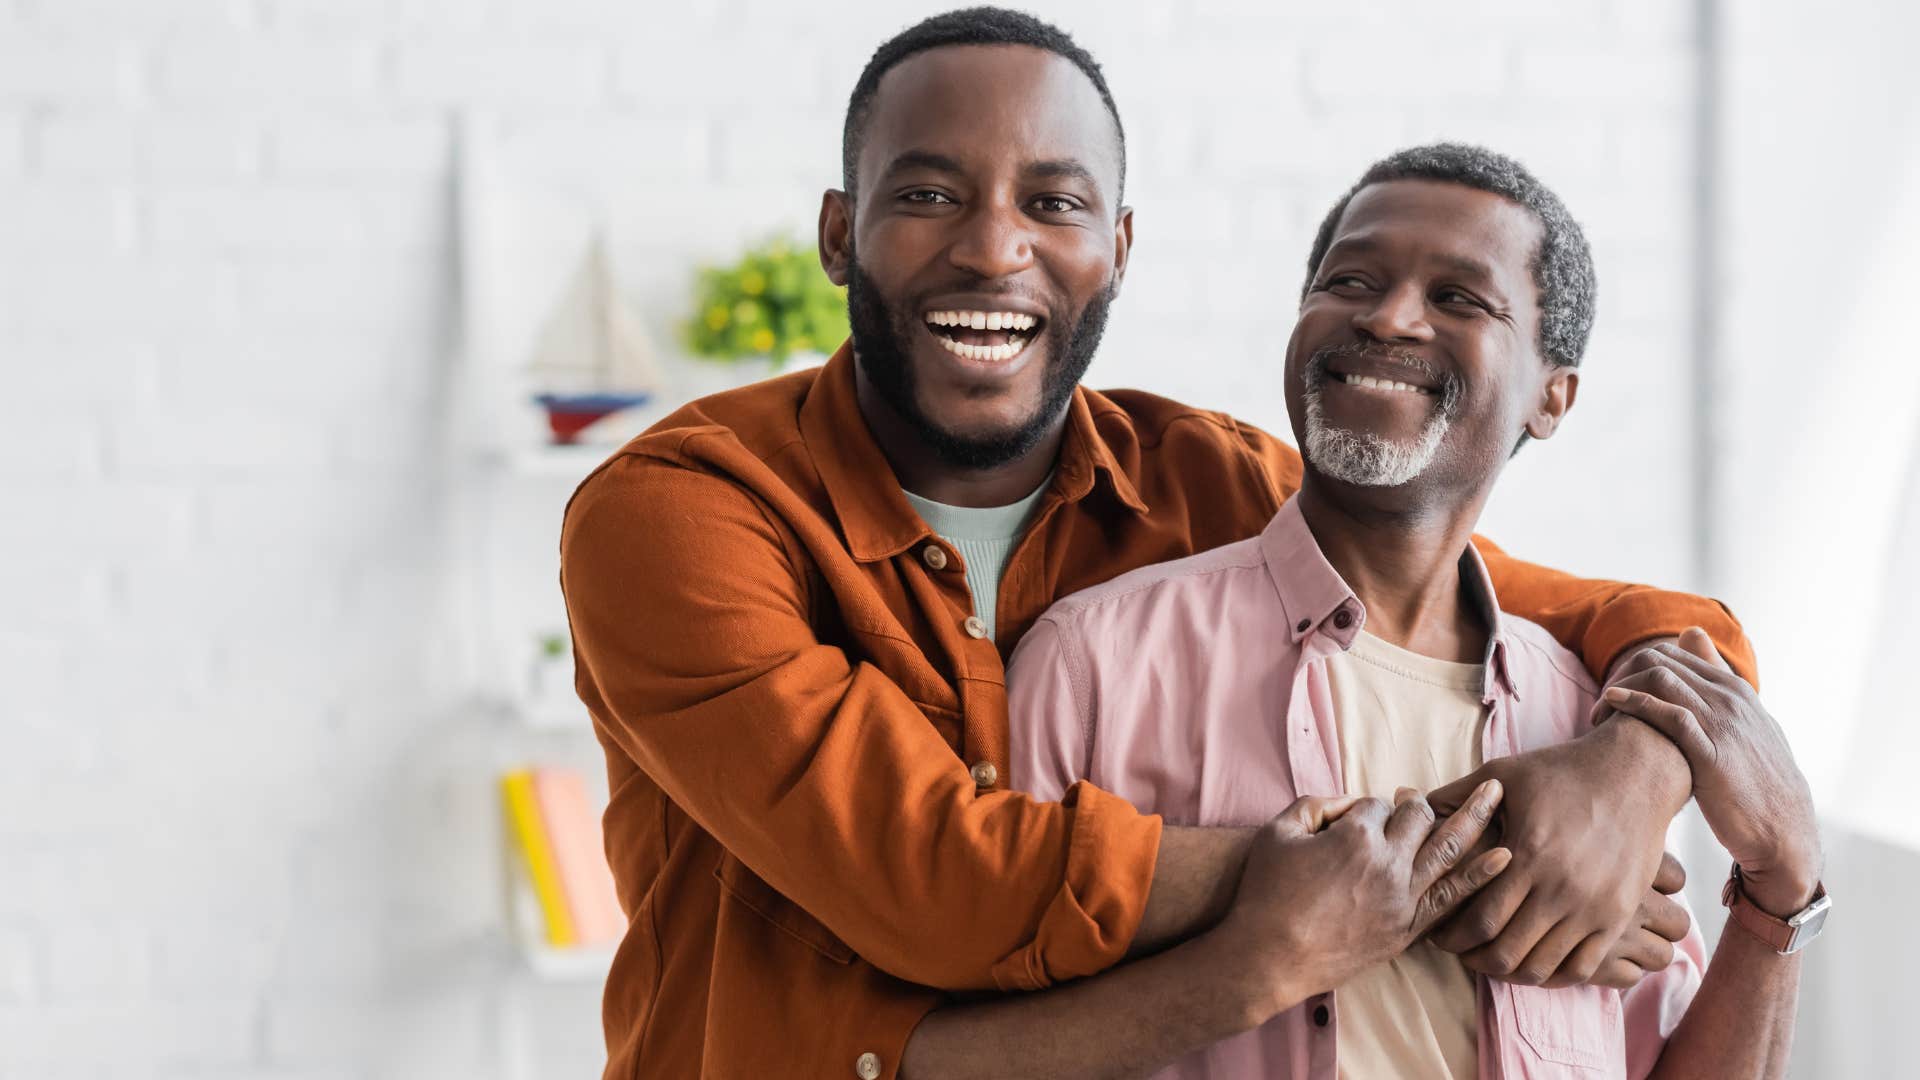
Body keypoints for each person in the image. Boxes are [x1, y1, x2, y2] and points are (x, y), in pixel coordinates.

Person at [558, 10, 1759, 1078]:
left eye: (1054, 202)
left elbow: (1625, 619)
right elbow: (937, 883)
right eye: (927, 195)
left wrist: (1629, 776)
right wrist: (1460, 854)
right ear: (838, 236)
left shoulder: (1203, 479)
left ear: (1119, 250)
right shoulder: (682, 512)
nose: (992, 247)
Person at [928, 143, 1826, 1080]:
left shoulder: (1596, 727)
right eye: (1349, 279)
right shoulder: (1096, 665)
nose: (1388, 317)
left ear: (1552, 397)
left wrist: (1783, 887)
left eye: (1459, 299)